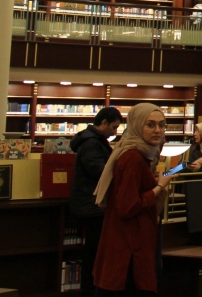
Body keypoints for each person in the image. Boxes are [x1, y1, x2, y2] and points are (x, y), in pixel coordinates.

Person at [92, 103, 173, 296]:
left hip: (128, 244)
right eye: (150, 125)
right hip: (128, 249)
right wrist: (159, 188)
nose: (158, 130)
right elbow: (127, 207)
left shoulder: (139, 153)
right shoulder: (133, 158)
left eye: (162, 125)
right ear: (137, 125)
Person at [70, 106, 122, 296]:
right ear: (103, 123)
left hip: (91, 204)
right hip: (92, 206)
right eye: (113, 127)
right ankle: (90, 289)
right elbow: (100, 171)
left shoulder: (94, 141)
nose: (114, 132)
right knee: (93, 251)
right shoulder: (92, 144)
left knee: (94, 250)